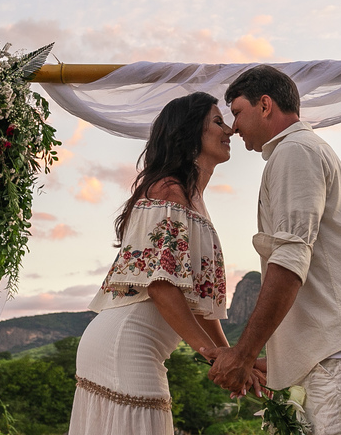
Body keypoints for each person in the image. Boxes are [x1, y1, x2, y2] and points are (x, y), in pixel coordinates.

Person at [208, 65, 341, 435]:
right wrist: (281, 360)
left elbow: (289, 258)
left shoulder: (294, 152)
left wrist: (244, 353)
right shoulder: (300, 150)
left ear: (265, 105)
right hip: (336, 352)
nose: (234, 127)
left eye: (236, 112)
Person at [68, 91, 251, 435]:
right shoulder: (169, 190)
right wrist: (214, 356)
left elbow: (200, 307)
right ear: (189, 131)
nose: (229, 130)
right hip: (126, 344)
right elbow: (161, 286)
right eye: (217, 121)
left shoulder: (191, 199)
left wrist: (235, 361)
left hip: (134, 345)